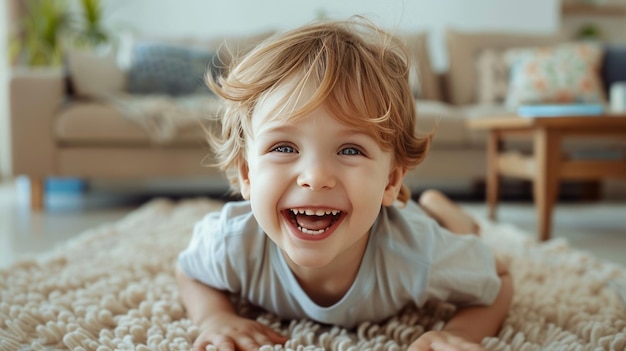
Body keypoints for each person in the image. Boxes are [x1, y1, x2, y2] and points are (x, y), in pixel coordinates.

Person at [176, 17, 513, 351]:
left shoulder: (419, 254)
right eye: (283, 147)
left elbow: (499, 279)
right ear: (247, 174)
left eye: (350, 150)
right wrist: (214, 317)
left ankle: (442, 210)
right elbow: (190, 271)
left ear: (390, 181)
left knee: (462, 232)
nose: (316, 177)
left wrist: (461, 333)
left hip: (418, 225)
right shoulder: (231, 243)